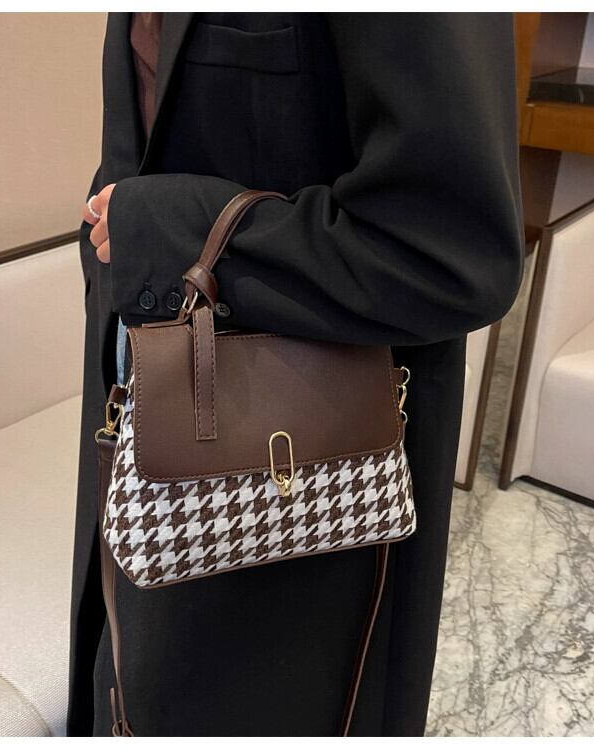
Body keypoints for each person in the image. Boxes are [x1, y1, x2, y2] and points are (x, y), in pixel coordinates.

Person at [71, 12, 525, 737]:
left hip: (306, 465)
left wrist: (172, 230)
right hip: (137, 397)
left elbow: (454, 251)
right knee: (127, 682)